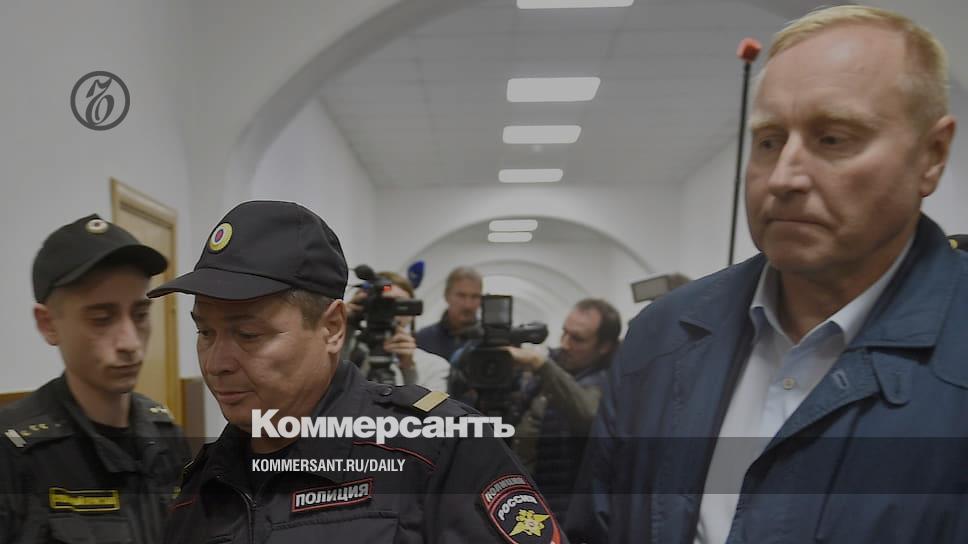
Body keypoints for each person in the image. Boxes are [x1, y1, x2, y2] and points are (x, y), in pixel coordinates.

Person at [567, 5, 967, 543]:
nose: (783, 178)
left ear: (932, 155)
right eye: (769, 141)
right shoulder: (661, 338)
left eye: (833, 139)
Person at [149, 201, 565, 543]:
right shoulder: (201, 487)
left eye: (249, 334)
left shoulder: (438, 449)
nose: (216, 362)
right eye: (205, 332)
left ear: (331, 328)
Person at [0, 214, 191, 544]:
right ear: (48, 324)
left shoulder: (166, 434)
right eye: (102, 319)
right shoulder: (13, 452)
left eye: (140, 315)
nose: (130, 342)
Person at [506, 299, 620, 524]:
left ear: (605, 346)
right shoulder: (556, 367)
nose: (565, 344)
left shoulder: (610, 380)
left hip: (567, 511)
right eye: (564, 333)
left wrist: (541, 365)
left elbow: (588, 414)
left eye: (577, 339)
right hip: (531, 501)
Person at [344, 270, 451, 391]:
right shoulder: (347, 355)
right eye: (380, 304)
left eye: (396, 303)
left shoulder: (435, 367)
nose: (387, 312)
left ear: (410, 311)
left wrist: (408, 369)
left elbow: (430, 404)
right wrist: (345, 326)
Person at [414, 266, 482, 361]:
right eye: (461, 296)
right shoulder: (423, 338)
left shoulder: (488, 341)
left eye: (474, 297)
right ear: (447, 295)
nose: (468, 305)